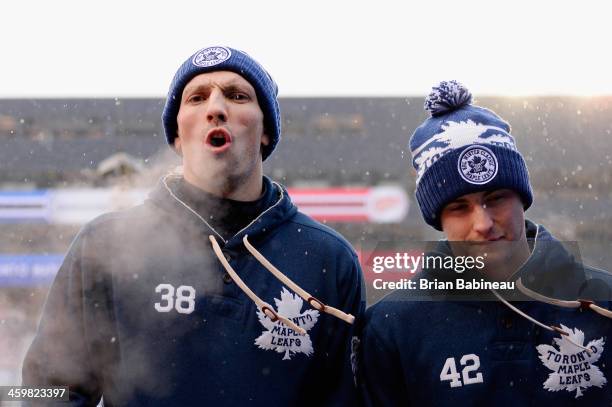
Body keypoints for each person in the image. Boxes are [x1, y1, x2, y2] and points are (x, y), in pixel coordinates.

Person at [23, 46, 364, 406]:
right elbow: (46, 391)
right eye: (197, 98)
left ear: (266, 131)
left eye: (237, 95)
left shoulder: (329, 258)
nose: (216, 108)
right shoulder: (104, 243)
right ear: (176, 136)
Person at [359, 81, 612, 406]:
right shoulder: (392, 327)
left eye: (495, 198)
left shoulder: (602, 301)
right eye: (460, 208)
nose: (483, 223)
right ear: (439, 220)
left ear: (522, 199)